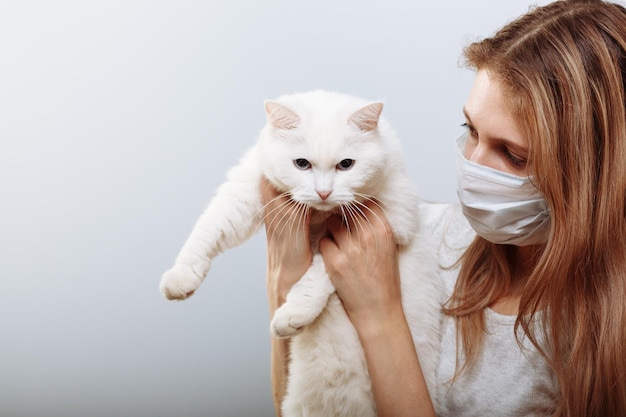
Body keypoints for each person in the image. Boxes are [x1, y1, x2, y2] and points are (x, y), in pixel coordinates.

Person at [263, 0, 626, 415]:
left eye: (512, 154)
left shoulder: (597, 340)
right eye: (470, 130)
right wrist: (283, 276)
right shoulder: (420, 235)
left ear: (595, 174)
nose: (473, 165)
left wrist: (380, 318)